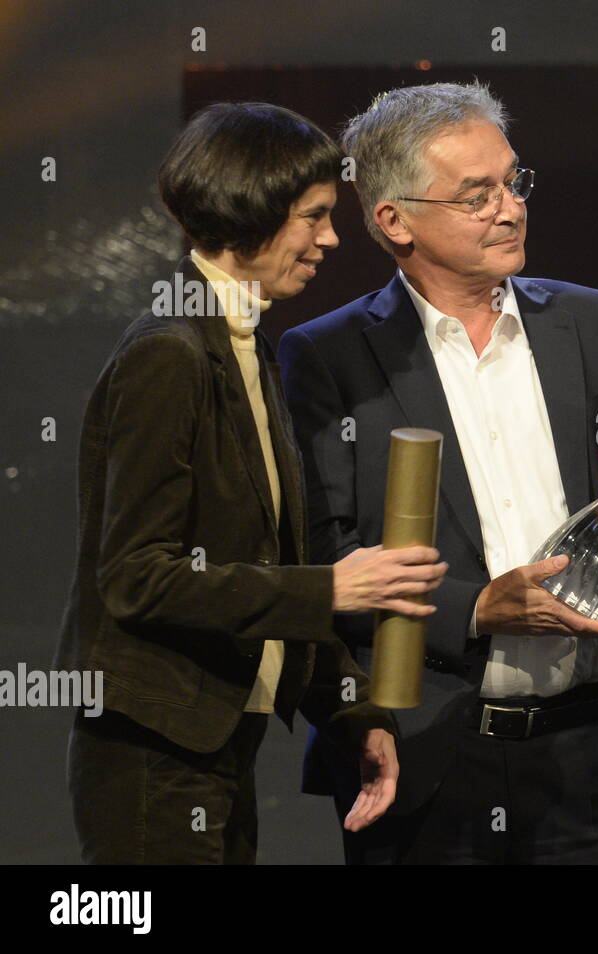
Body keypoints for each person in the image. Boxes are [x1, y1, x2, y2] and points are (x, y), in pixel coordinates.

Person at [279, 82, 598, 864]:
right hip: (426, 756)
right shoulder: (328, 356)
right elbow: (322, 562)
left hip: (589, 753)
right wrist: (478, 609)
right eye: (477, 195)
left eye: (513, 183)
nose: (509, 209)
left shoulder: (593, 321)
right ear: (394, 221)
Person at [56, 102, 447, 864]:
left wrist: (352, 713)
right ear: (251, 209)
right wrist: (331, 590)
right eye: (314, 217)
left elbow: (261, 559)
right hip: (153, 757)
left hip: (212, 749)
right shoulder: (168, 355)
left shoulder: (247, 346)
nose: (332, 239)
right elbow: (138, 578)